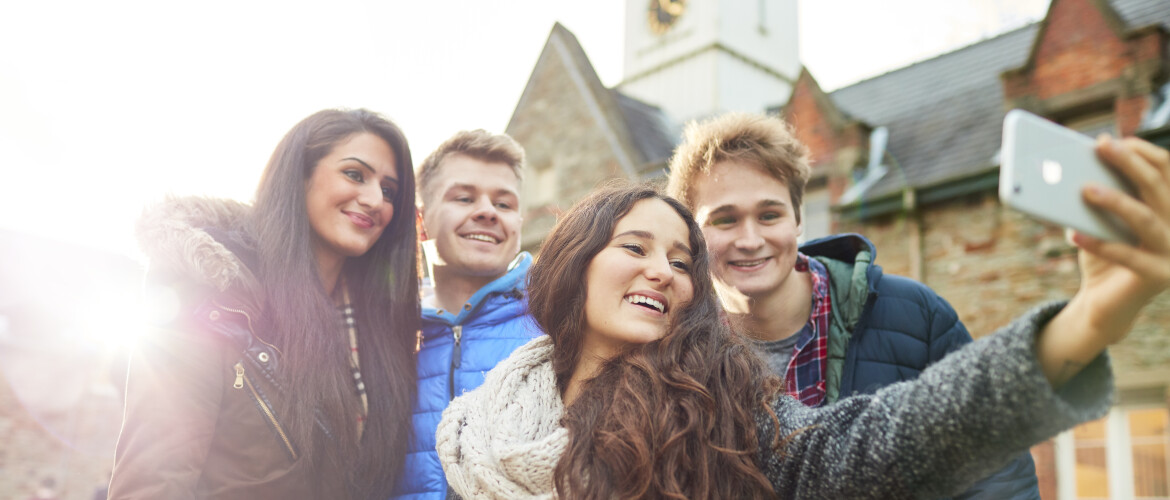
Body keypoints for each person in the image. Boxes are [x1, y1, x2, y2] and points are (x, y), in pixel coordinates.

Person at [437, 134, 1170, 498]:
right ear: (573, 262)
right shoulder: (476, 423)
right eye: (635, 246)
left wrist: (1086, 322)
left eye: (681, 260)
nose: (663, 270)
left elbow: (892, 432)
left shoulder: (719, 401)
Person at [665, 112, 1039, 497]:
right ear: (691, 235)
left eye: (769, 214)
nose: (750, 238)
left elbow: (998, 468)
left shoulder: (916, 315)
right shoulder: (671, 353)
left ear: (797, 219)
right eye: (725, 220)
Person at [108, 109, 420, 500]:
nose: (375, 200)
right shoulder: (211, 299)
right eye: (355, 175)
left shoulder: (378, 332)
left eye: (389, 191)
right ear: (299, 176)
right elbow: (154, 483)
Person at [392, 130, 541, 499]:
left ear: (519, 224)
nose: (488, 211)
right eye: (464, 197)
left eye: (504, 205)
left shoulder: (557, 322)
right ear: (420, 221)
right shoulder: (387, 332)